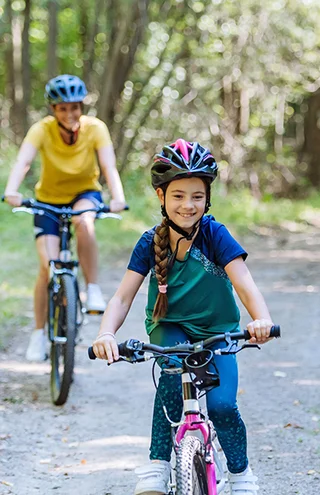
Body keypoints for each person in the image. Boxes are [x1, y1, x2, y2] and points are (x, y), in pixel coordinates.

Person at [92, 140, 272, 495]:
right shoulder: (149, 242)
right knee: (171, 384)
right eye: (177, 195)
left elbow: (244, 282)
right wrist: (106, 334)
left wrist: (260, 319)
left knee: (222, 406)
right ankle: (158, 465)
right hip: (169, 328)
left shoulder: (215, 235)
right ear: (161, 196)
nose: (188, 205)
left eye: (196, 196)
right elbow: (122, 295)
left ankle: (240, 475)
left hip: (219, 331)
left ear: (207, 199)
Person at [3, 74, 127, 362]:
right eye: (62, 108)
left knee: (84, 221)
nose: (69, 113)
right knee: (47, 268)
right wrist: (11, 190)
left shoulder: (96, 129)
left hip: (85, 193)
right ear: (53, 110)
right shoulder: (42, 130)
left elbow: (109, 166)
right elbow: (23, 161)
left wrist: (117, 198)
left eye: (74, 107)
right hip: (47, 199)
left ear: (81, 106)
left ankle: (92, 289)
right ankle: (38, 334)